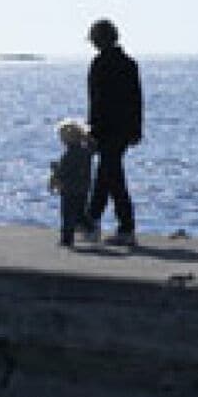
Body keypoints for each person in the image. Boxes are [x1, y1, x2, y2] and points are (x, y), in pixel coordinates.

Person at [83, 18, 142, 245]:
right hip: (124, 129)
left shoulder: (99, 65)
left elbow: (96, 102)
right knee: (109, 174)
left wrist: (92, 131)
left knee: (110, 175)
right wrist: (136, 129)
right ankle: (95, 221)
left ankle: (106, 224)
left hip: (106, 129)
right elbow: (136, 100)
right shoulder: (129, 64)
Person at [49, 118, 93, 247]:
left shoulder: (69, 154)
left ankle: (67, 239)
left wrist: (55, 173)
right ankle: (89, 226)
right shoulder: (86, 152)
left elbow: (63, 171)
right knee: (79, 212)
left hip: (69, 189)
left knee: (67, 213)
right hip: (83, 188)